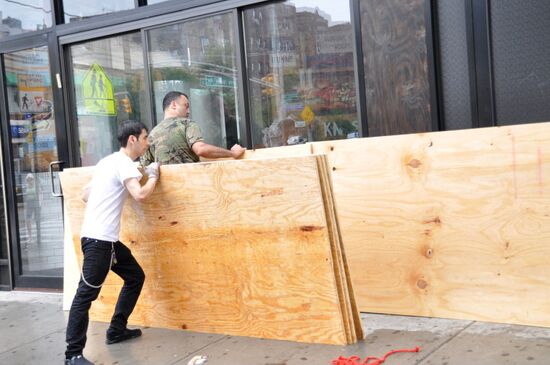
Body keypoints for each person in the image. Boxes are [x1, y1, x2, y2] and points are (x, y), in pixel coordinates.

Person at [65, 120, 161, 365]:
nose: (147, 142)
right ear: (133, 139)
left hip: (106, 241)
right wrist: (152, 176)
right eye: (144, 137)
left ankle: (116, 330)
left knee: (135, 277)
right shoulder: (122, 163)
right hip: (99, 242)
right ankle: (73, 355)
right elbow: (139, 195)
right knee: (84, 296)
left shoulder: (107, 162)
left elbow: (86, 195)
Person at [140, 91, 246, 166]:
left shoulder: (151, 135)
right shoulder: (187, 124)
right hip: (190, 185)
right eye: (186, 106)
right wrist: (232, 153)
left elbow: (144, 165)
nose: (189, 111)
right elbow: (201, 149)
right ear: (173, 105)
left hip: (166, 193)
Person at [24, 173, 42, 248]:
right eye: (28, 179)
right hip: (29, 204)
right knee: (28, 220)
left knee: (37, 220)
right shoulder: (26, 187)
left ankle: (38, 236)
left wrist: (40, 204)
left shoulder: (36, 186)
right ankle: (30, 236)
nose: (30, 181)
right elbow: (25, 196)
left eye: (31, 179)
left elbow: (40, 194)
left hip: (36, 203)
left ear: (33, 180)